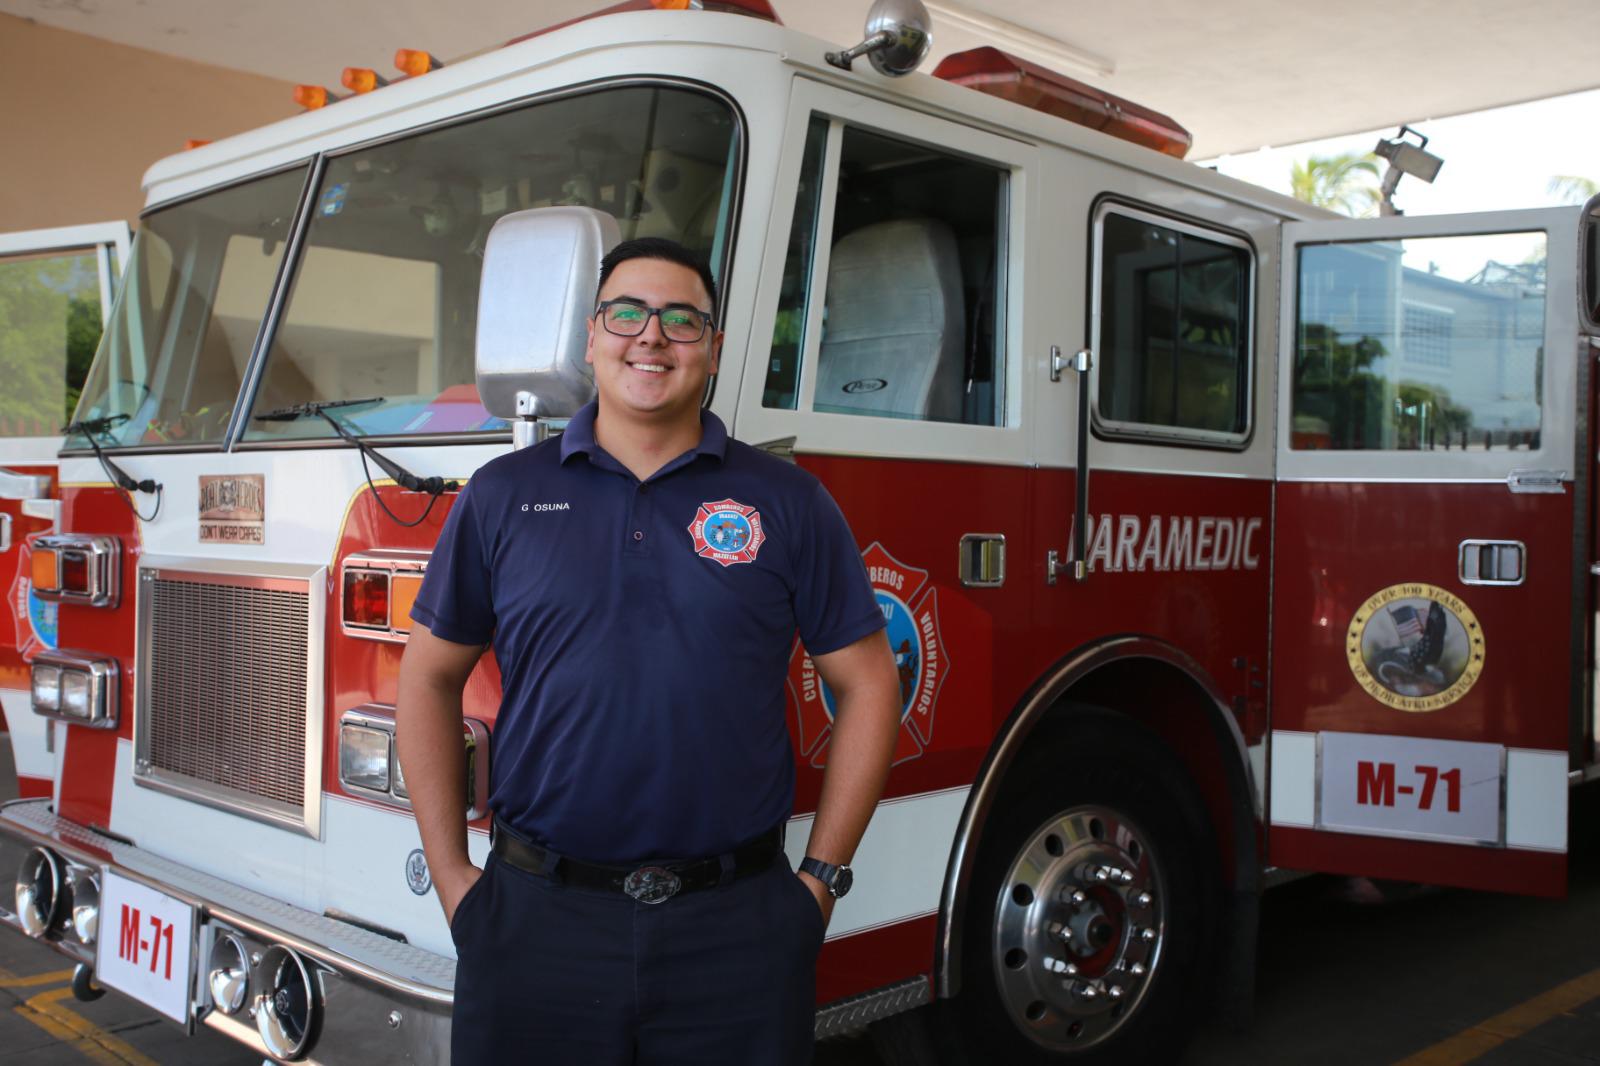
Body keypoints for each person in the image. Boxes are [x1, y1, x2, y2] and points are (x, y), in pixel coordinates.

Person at [395, 236, 902, 1065]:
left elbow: (870, 684)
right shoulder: (502, 495)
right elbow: (429, 677)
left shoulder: (789, 502)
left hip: (736, 931)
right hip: (535, 923)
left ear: (715, 349)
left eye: (681, 320)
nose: (651, 336)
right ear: (591, 339)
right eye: (626, 313)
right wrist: (455, 879)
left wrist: (819, 886)